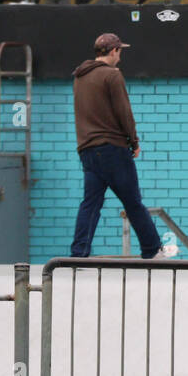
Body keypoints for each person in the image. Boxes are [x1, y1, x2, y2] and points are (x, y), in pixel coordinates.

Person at [69, 32, 164, 259]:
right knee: (133, 202)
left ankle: (78, 253)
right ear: (113, 51)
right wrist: (134, 141)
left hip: (87, 149)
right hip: (112, 148)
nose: (120, 58)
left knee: (90, 204)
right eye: (119, 52)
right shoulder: (112, 75)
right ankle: (152, 250)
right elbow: (124, 111)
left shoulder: (80, 77)